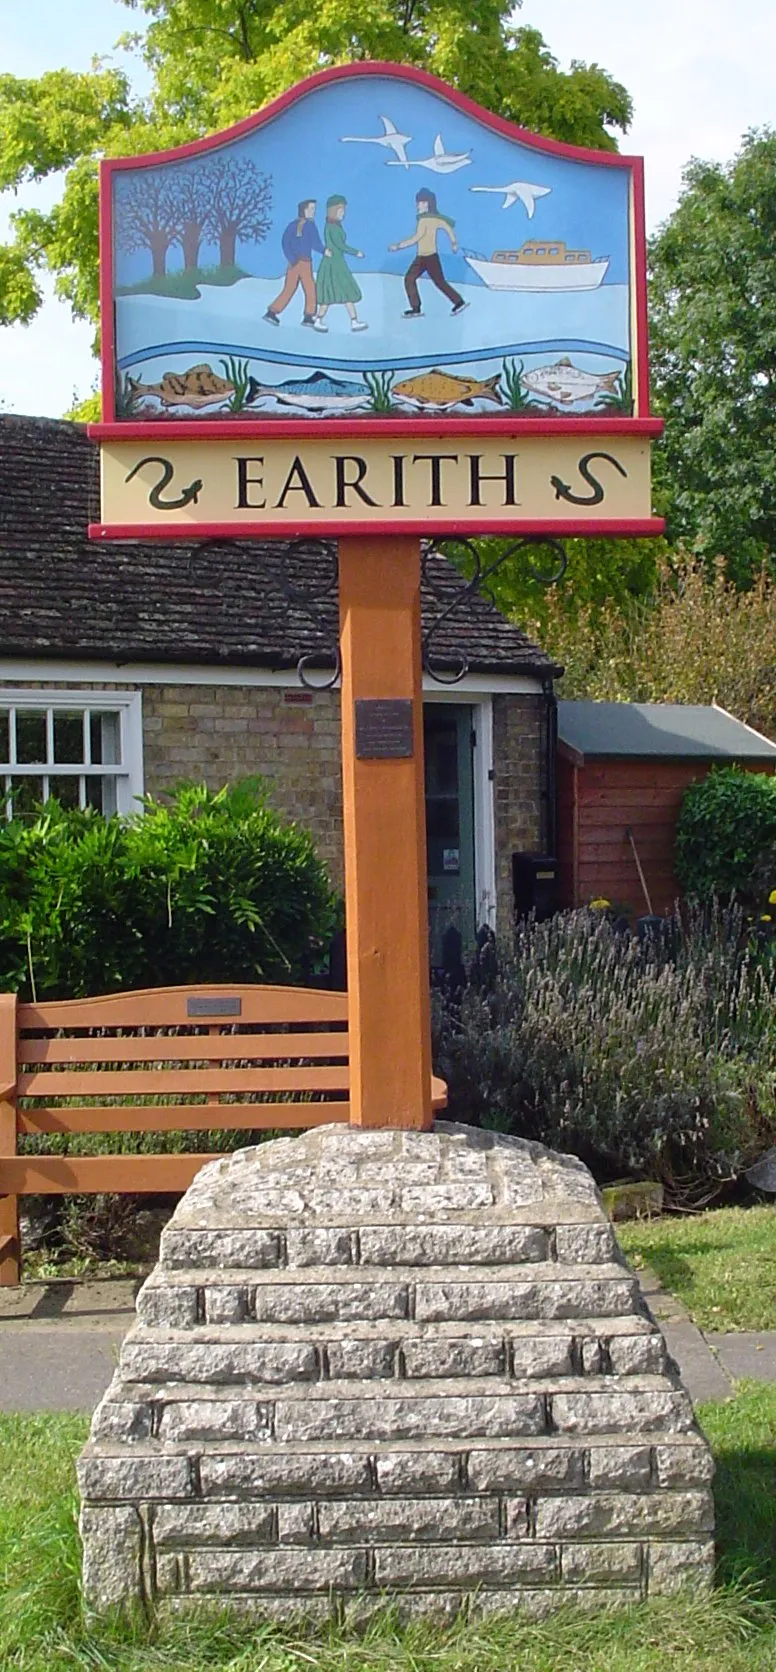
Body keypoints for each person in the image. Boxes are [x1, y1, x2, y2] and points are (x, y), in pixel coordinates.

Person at [388, 189, 467, 318]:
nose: (417, 205)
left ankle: (419, 308)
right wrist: (453, 242)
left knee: (414, 279)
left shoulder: (424, 220)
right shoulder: (434, 219)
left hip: (427, 257)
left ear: (426, 203)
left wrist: (398, 246)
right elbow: (447, 227)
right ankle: (455, 302)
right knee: (429, 281)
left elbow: (417, 237)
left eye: (419, 202)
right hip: (426, 256)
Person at [264, 200, 328, 328]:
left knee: (290, 288)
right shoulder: (307, 226)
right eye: (311, 209)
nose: (313, 212)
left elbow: (286, 243)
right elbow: (314, 243)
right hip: (303, 262)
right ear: (303, 210)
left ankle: (272, 312)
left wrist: (292, 259)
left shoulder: (294, 225)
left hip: (295, 262)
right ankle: (308, 316)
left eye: (314, 209)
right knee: (309, 288)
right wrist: (324, 251)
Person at [314, 195, 367, 333]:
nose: (343, 213)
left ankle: (354, 321)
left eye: (343, 210)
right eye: (340, 210)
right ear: (334, 211)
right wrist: (356, 252)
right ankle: (319, 319)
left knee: (346, 293)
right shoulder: (331, 227)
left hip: (338, 262)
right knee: (330, 293)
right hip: (333, 264)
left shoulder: (335, 225)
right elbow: (340, 245)